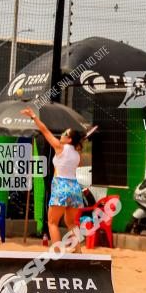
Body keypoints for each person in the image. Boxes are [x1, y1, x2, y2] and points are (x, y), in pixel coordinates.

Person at [20, 108, 86, 251]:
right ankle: (78, 251)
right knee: (71, 223)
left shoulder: (60, 147)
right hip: (74, 188)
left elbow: (44, 130)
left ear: (69, 139)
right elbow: (77, 164)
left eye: (65, 133)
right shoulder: (77, 154)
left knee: (52, 223)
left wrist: (33, 116)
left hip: (61, 186)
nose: (62, 134)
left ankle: (56, 253)